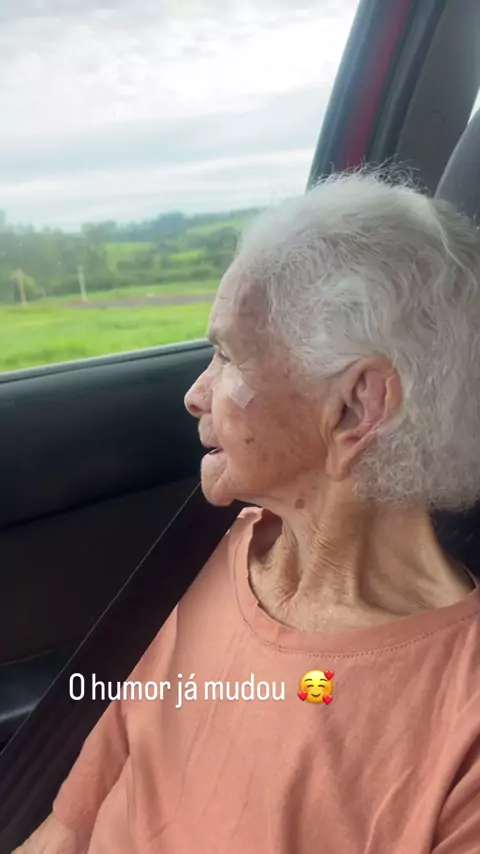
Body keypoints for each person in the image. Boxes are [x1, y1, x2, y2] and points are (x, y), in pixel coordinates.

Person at [13, 169, 480, 854]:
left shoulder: (463, 724)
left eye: (228, 356)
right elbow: (73, 823)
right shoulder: (205, 555)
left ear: (356, 408)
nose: (195, 394)